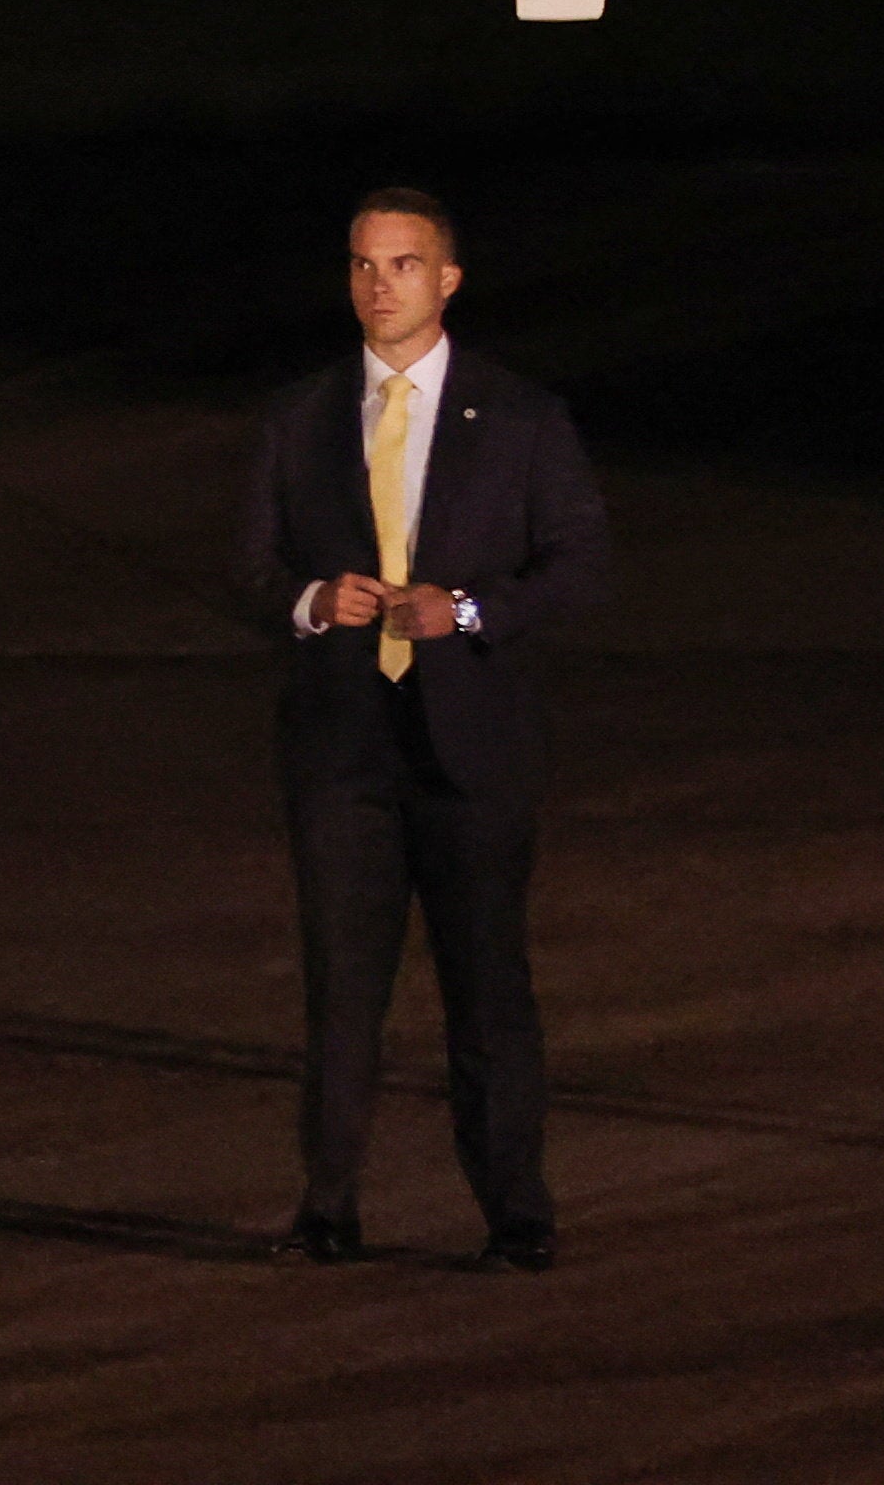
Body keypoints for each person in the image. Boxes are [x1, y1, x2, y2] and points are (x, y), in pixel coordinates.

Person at [234, 186, 612, 1270]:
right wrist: (314, 602)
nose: (377, 285)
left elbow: (581, 564)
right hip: (346, 747)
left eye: (401, 264)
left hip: (472, 745)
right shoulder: (300, 417)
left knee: (487, 983)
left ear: (446, 279)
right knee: (343, 986)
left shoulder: (522, 416)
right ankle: (329, 1205)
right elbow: (255, 570)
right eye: (361, 263)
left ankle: (516, 1210)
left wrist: (474, 610)